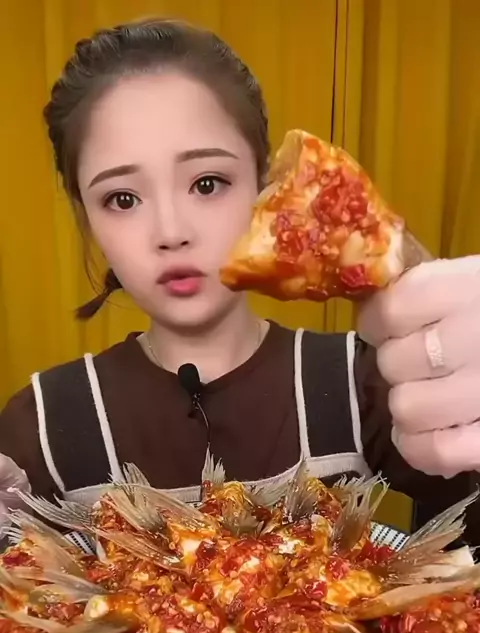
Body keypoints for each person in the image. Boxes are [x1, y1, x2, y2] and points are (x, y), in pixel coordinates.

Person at [0, 17, 479, 545]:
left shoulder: (366, 381)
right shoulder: (39, 424)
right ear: (87, 216)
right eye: (123, 198)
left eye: (207, 184)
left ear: (264, 184)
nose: (171, 232)